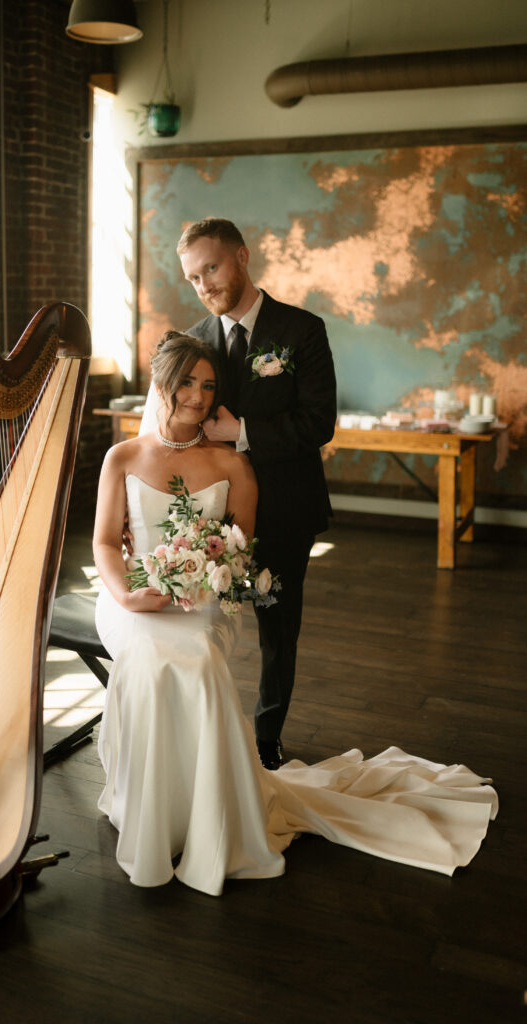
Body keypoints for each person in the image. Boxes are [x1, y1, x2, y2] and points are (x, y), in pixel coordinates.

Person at [93, 331, 497, 897]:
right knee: (147, 653)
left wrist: (198, 578)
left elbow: (237, 550)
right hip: (130, 597)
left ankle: (205, 815)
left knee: (198, 661)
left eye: (209, 385)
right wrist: (129, 595)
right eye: (187, 381)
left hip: (206, 598)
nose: (198, 395)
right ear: (162, 381)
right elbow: (106, 545)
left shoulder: (234, 464)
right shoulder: (123, 457)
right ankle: (148, 806)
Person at [141, 217, 337, 771]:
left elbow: (318, 422)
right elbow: (171, 427)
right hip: (205, 513)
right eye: (193, 277)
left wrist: (243, 431)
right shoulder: (193, 341)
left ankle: (267, 736)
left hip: (283, 511)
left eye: (212, 267)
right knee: (202, 623)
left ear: (242, 257)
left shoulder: (301, 331)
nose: (204, 284)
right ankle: (203, 736)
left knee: (277, 626)